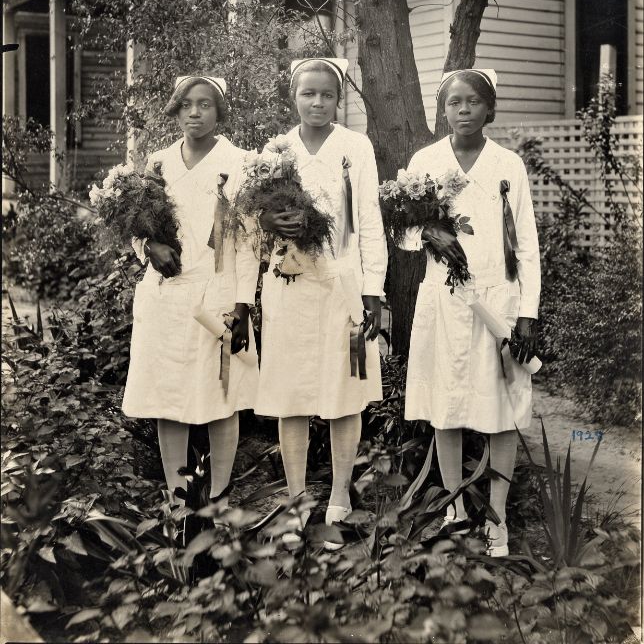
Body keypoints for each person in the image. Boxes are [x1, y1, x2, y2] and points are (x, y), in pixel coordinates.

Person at [400, 68, 540, 556]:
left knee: (501, 411)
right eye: (454, 102)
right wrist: (427, 234)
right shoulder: (425, 162)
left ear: (489, 109)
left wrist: (527, 313)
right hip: (443, 299)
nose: (463, 110)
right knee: (448, 407)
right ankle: (455, 507)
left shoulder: (508, 165)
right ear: (443, 110)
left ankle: (497, 517)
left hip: (496, 302)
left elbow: (527, 247)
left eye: (473, 102)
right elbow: (402, 232)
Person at [254, 57, 387, 545]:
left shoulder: (356, 147)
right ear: (294, 96)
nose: (317, 102)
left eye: (327, 94)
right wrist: (268, 224)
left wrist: (373, 287)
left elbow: (368, 219)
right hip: (288, 283)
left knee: (342, 392)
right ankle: (294, 500)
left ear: (339, 99)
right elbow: (250, 220)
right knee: (292, 394)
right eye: (308, 93)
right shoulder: (276, 150)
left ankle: (339, 496)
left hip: (341, 284)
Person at [122, 74, 260, 510]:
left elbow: (249, 240)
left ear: (220, 112)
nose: (195, 113)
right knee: (169, 398)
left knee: (223, 396)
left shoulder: (240, 162)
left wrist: (243, 305)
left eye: (204, 105)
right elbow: (134, 225)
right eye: (186, 105)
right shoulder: (158, 164)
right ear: (175, 110)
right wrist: (149, 247)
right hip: (165, 294)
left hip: (216, 293)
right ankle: (177, 499)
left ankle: (219, 496)